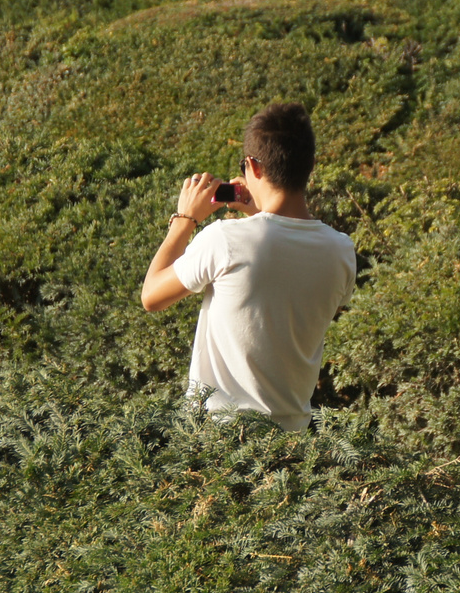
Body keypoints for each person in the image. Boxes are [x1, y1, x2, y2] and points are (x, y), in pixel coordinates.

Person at [140, 103, 357, 432]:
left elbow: (152, 297)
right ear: (311, 164)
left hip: (220, 440)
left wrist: (184, 221)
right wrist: (261, 216)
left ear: (253, 166)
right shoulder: (342, 250)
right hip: (292, 442)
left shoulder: (224, 239)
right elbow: (282, 287)